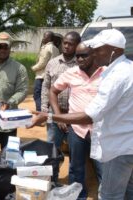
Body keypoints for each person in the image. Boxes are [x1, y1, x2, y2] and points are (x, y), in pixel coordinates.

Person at [30, 29, 133, 199]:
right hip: (117, 140)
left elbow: (91, 115)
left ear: (112, 50)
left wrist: (48, 116)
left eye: (98, 49)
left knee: (109, 194)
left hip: (118, 147)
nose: (94, 53)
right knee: (127, 190)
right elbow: (52, 90)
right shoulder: (127, 68)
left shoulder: (116, 76)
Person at [50, 42, 103, 199]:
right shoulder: (71, 73)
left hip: (100, 130)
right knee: (76, 168)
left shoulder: (106, 73)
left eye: (84, 55)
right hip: (77, 130)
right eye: (78, 56)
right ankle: (79, 196)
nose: (80, 59)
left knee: (103, 169)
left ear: (94, 55)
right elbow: (53, 91)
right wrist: (58, 115)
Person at [41, 31, 81, 150]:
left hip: (75, 116)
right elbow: (46, 86)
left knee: (75, 153)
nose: (66, 46)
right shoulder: (52, 63)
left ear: (77, 46)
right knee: (52, 150)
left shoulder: (81, 65)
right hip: (54, 114)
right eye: (65, 43)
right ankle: (53, 169)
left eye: (71, 44)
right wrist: (44, 107)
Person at [31, 31, 59, 111]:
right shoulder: (55, 48)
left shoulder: (46, 48)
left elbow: (42, 63)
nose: (43, 38)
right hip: (52, 75)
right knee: (47, 96)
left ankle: (40, 114)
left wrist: (33, 68)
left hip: (41, 76)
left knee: (37, 95)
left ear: (49, 38)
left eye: (44, 36)